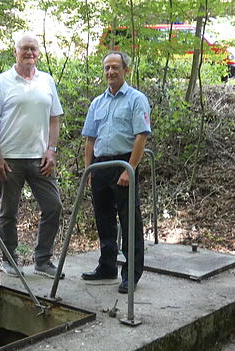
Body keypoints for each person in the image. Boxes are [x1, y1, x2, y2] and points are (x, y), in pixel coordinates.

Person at [0, 34, 64, 279]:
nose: (29, 53)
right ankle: (9, 260)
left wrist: (51, 149)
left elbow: (54, 118)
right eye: (24, 49)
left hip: (40, 158)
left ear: (39, 53)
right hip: (10, 158)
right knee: (8, 212)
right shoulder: (2, 83)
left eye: (33, 49)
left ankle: (42, 260)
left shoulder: (47, 81)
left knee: (53, 207)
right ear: (15, 52)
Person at [80, 51, 151, 294]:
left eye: (115, 68)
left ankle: (131, 274)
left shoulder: (136, 99)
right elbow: (90, 139)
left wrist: (130, 168)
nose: (110, 72)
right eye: (107, 68)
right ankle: (107, 266)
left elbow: (141, 136)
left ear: (125, 70)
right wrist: (89, 169)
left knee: (129, 220)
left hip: (123, 164)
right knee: (104, 219)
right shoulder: (97, 103)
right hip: (100, 166)